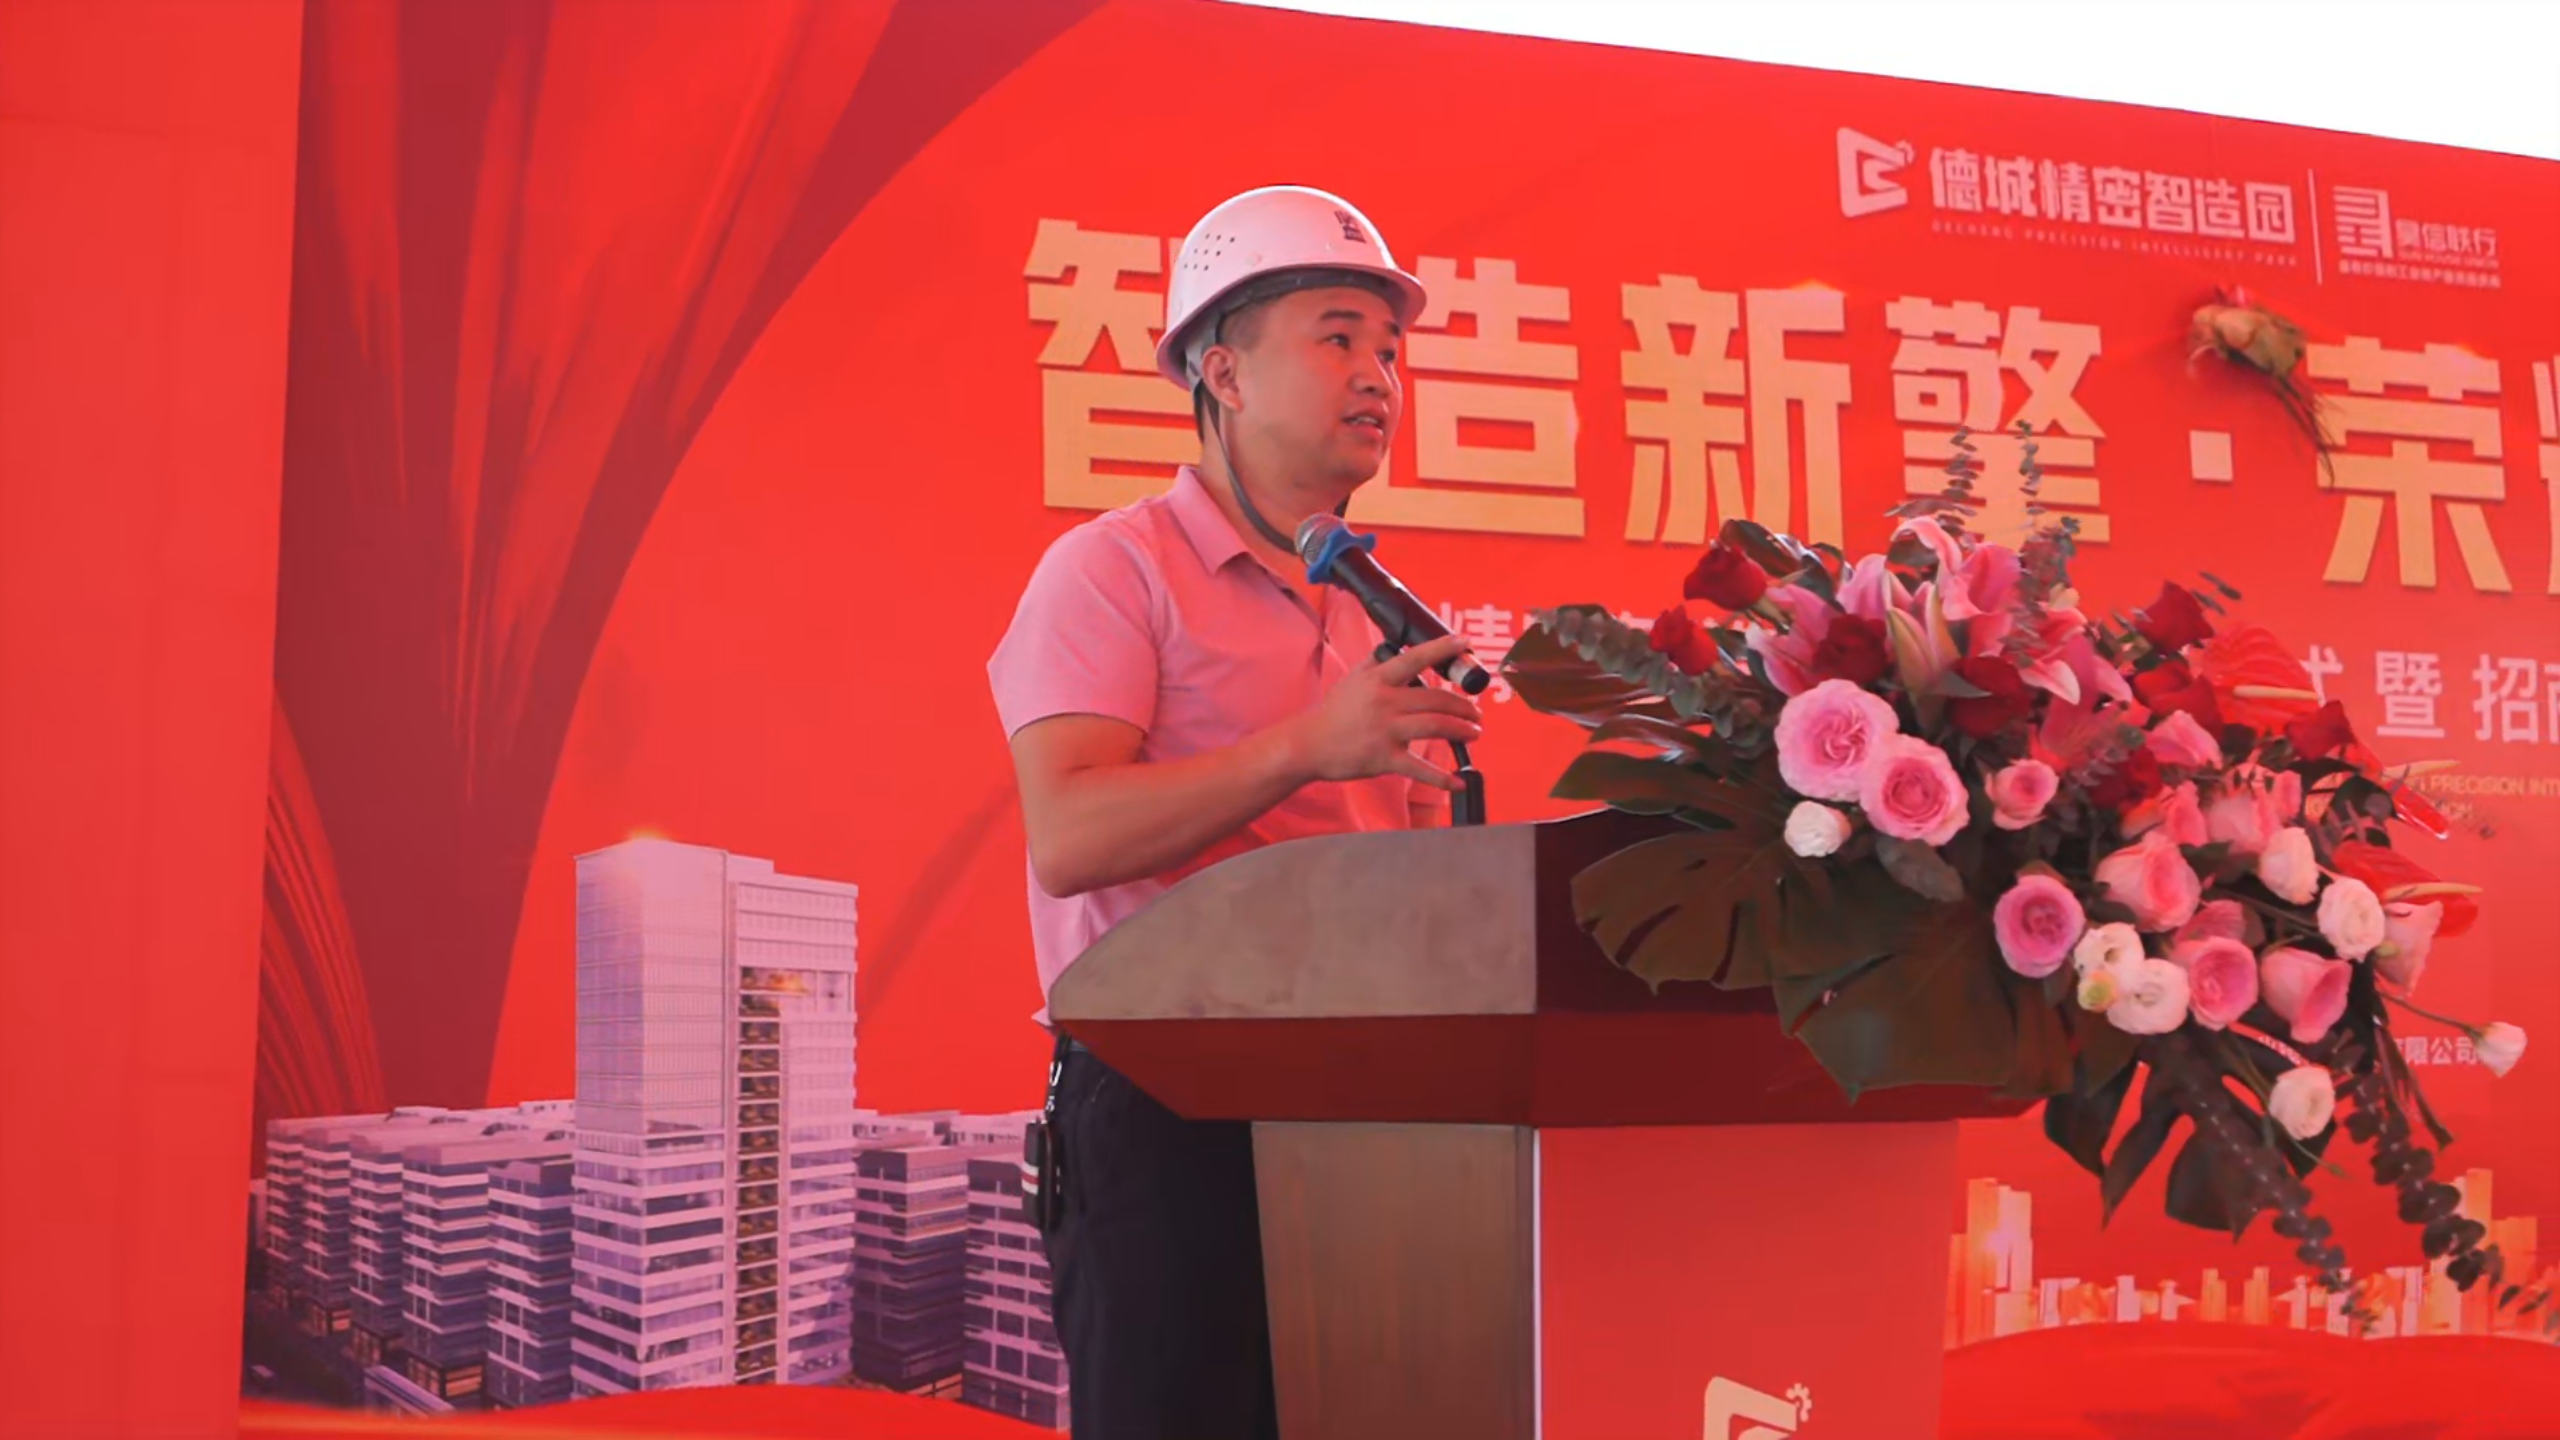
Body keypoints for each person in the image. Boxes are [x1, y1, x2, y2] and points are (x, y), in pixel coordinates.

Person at [985, 185, 1483, 1438]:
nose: (1376, 376)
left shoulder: (1372, 603)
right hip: (1170, 1108)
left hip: (1370, 1110)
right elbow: (1071, 837)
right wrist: (1309, 746)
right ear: (1222, 370)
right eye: (1336, 338)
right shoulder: (1114, 570)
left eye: (1389, 350)